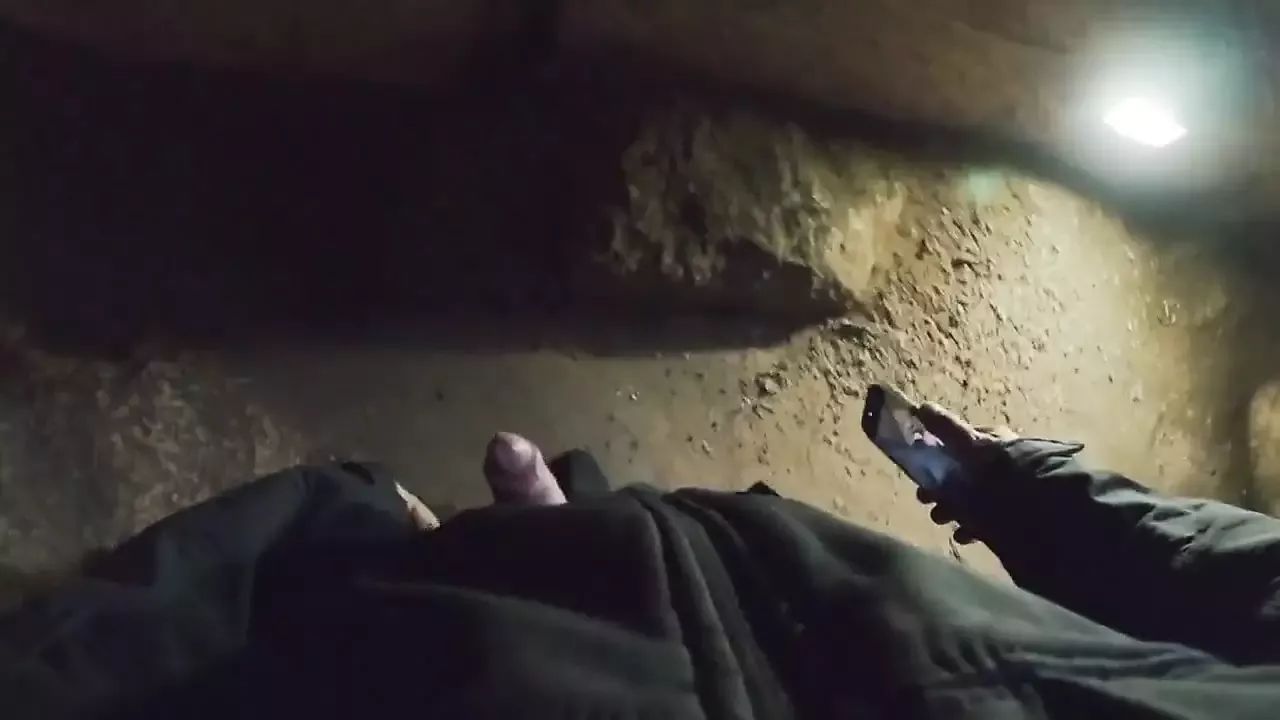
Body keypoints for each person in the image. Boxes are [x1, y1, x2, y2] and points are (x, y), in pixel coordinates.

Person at [1, 403, 1279, 719]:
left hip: (687, 642)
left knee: (315, 540)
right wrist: (1016, 491)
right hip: (729, 596)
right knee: (354, 534)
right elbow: (1229, 577)